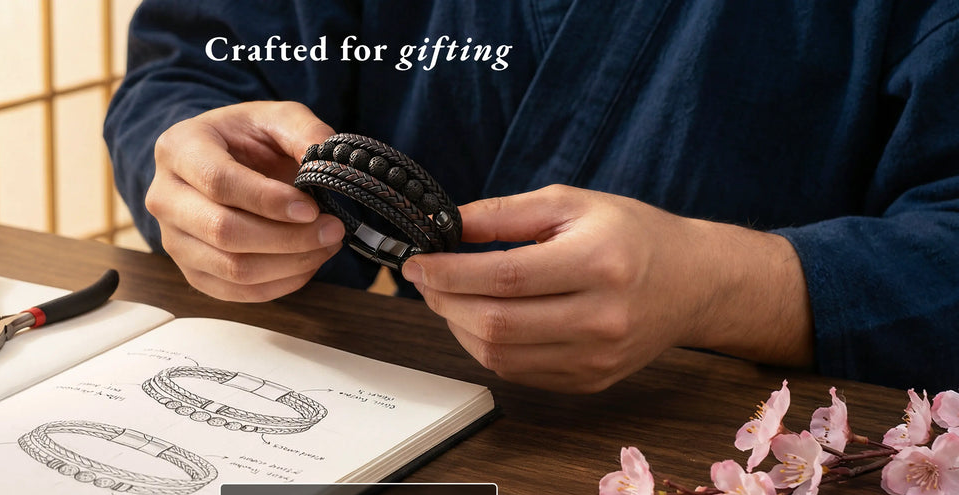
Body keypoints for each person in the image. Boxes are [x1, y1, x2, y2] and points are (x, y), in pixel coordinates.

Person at [104, 1, 959, 393]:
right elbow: (196, 64)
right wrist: (193, 164)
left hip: (717, 452)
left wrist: (722, 283)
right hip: (390, 413)